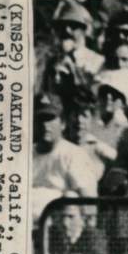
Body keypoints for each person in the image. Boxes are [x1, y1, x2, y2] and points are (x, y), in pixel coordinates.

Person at [32, 93, 99, 223]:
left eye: (51, 119)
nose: (46, 125)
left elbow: (90, 205)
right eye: (41, 119)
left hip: (57, 232)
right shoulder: (22, 155)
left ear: (63, 123)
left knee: (71, 197)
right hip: (24, 228)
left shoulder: (73, 154)